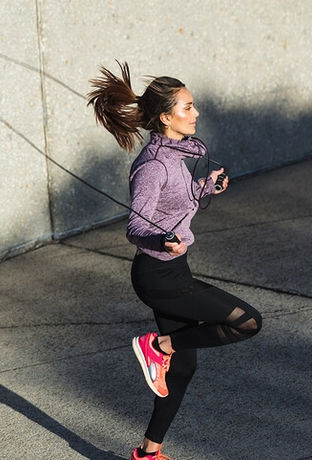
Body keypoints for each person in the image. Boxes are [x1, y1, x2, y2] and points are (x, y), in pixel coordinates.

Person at [88, 62, 263, 460]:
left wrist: (206, 187)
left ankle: (147, 453)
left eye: (193, 105)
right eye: (187, 107)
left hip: (172, 271)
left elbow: (176, 205)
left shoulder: (178, 156)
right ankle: (158, 345)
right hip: (158, 276)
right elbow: (136, 226)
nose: (195, 112)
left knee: (182, 369)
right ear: (166, 118)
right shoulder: (152, 166)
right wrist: (161, 240)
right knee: (248, 322)